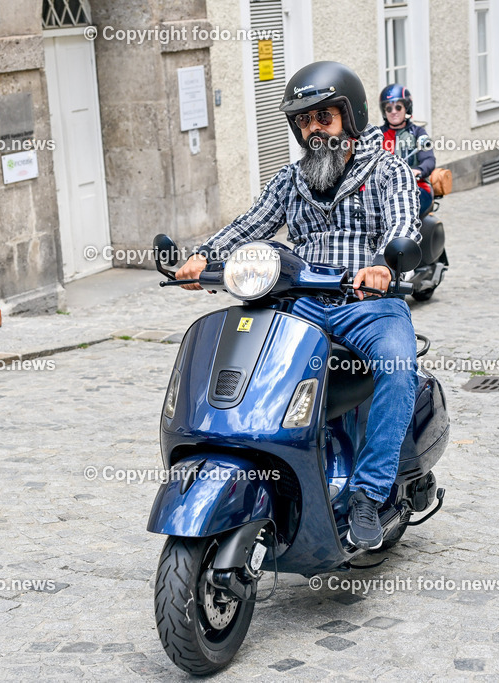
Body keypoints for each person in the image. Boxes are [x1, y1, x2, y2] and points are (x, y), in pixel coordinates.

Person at [174, 61, 420, 551]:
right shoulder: (291, 180)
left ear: (350, 118)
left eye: (323, 117)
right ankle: (261, 467)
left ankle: (369, 493)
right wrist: (204, 255)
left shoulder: (386, 169)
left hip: (367, 302)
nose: (313, 130)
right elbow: (249, 225)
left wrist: (383, 266)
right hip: (302, 302)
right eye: (304, 121)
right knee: (249, 356)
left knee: (397, 367)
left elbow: (403, 223)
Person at [377, 84, 435, 219]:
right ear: (384, 111)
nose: (393, 111)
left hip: (417, 187)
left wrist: (418, 171)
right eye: (389, 108)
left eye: (398, 107)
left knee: (401, 208)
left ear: (407, 108)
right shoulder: (377, 135)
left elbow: (429, 159)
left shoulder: (418, 132)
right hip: (385, 190)